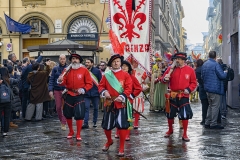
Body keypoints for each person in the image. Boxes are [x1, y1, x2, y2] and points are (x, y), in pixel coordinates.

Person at [99, 54, 132, 157]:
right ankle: (109, 141)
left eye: (117, 61)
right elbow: (100, 86)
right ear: (111, 64)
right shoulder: (106, 75)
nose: (116, 63)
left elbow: (128, 88)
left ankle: (121, 147)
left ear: (120, 63)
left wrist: (122, 96)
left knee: (122, 126)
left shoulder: (126, 75)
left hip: (121, 104)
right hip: (109, 103)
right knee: (107, 126)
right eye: (114, 62)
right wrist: (104, 92)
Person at [161, 52, 197, 142]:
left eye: (180, 59)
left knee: (185, 115)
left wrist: (189, 89)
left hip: (184, 95)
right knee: (170, 114)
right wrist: (165, 78)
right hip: (172, 95)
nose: (178, 60)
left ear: (184, 61)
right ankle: (170, 130)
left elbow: (193, 83)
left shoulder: (190, 70)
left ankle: (185, 133)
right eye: (176, 59)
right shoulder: (170, 69)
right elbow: (163, 80)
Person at [57, 50, 92, 141]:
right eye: (73, 59)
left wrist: (84, 89)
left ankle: (78, 133)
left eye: (76, 59)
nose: (74, 60)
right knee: (68, 114)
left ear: (79, 60)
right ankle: (71, 131)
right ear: (71, 60)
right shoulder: (66, 70)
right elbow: (62, 82)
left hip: (79, 94)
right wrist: (60, 80)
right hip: (69, 93)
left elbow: (89, 83)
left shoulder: (84, 70)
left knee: (79, 114)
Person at [202, 51, 227, 129]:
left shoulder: (204, 64)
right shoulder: (216, 64)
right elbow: (222, 76)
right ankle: (213, 123)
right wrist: (225, 72)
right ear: (215, 57)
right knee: (215, 106)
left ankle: (207, 122)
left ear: (209, 56)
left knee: (210, 106)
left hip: (207, 89)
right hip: (215, 89)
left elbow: (202, 76)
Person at [121, 60, 142, 141]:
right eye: (122, 66)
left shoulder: (132, 77)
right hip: (117, 100)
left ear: (129, 68)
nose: (124, 67)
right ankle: (118, 132)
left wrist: (132, 95)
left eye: (126, 66)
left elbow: (138, 88)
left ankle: (127, 134)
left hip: (128, 100)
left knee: (127, 117)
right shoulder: (115, 77)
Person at [49, 54, 68, 130]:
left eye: (63, 59)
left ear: (65, 59)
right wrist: (50, 90)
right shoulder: (55, 69)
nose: (62, 60)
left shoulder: (68, 68)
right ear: (59, 59)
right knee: (58, 107)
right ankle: (62, 121)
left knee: (66, 107)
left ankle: (64, 122)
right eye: (61, 59)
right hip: (57, 89)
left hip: (66, 90)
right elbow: (51, 79)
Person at [21, 53, 43, 119]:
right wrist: (41, 56)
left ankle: (26, 115)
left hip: (25, 87)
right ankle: (27, 116)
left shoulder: (25, 68)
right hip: (28, 87)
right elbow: (37, 63)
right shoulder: (28, 67)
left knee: (27, 102)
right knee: (30, 102)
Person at [129, 57, 149, 128]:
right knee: (129, 109)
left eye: (136, 62)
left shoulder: (142, 71)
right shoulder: (127, 71)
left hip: (138, 92)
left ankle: (136, 123)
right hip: (128, 91)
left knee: (137, 108)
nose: (135, 64)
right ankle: (129, 122)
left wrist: (147, 77)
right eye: (133, 62)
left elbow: (145, 82)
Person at [82, 58, 102, 129]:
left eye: (88, 62)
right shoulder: (83, 71)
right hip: (86, 93)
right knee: (86, 108)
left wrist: (100, 91)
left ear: (92, 63)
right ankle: (85, 123)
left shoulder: (97, 71)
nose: (86, 63)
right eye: (86, 62)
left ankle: (94, 122)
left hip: (95, 93)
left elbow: (101, 81)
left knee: (96, 108)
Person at [0, 67, 19, 137]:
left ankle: (2, 129)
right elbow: (17, 80)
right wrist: (17, 74)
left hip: (0, 101)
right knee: (7, 116)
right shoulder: (9, 80)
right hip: (8, 100)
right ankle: (5, 132)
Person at [195, 59, 209, 125]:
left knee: (204, 105)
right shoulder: (205, 69)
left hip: (202, 89)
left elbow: (199, 80)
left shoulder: (197, 70)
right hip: (207, 88)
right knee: (210, 105)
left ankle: (204, 119)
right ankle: (209, 119)